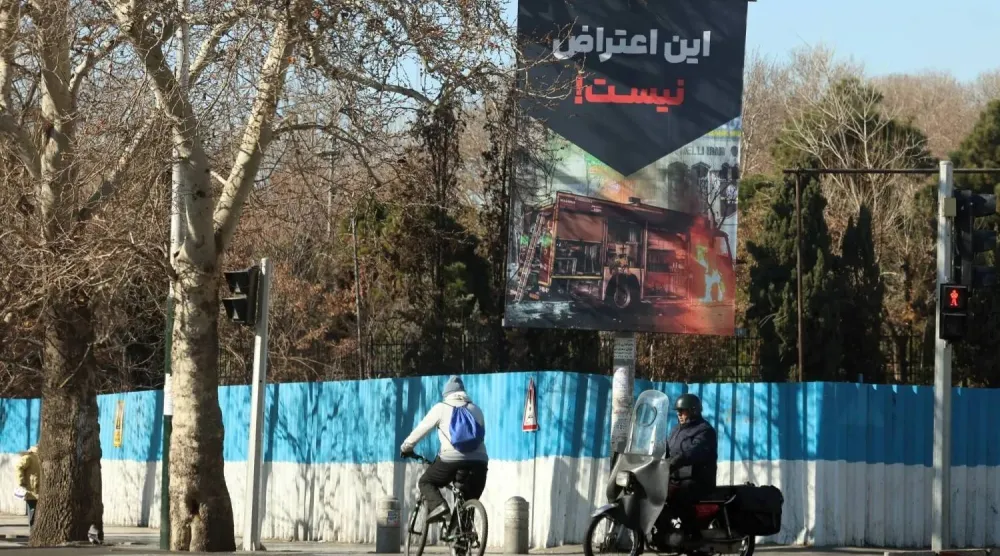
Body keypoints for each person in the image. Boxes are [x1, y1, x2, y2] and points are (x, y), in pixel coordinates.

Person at [400, 375, 489, 523]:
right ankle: (461, 538)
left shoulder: (441, 408)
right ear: (464, 393)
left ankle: (439, 506)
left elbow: (421, 429)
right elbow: (481, 436)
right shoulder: (476, 410)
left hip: (451, 459)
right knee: (468, 500)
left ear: (446, 395)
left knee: (425, 482)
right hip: (480, 462)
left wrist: (406, 447)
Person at [665, 393, 717, 541]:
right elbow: (666, 449)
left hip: (698, 480)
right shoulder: (676, 430)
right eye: (678, 411)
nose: (679, 414)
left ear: (693, 411)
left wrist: (676, 461)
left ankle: (692, 534)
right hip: (677, 477)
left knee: (682, 494)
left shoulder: (705, 431)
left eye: (683, 411)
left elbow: (693, 452)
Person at [15, 445, 41, 531]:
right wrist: (21, 481)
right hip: (31, 490)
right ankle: (32, 530)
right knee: (32, 510)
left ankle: (34, 529)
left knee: (36, 511)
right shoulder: (29, 457)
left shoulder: (40, 457)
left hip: (38, 489)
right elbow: (19, 467)